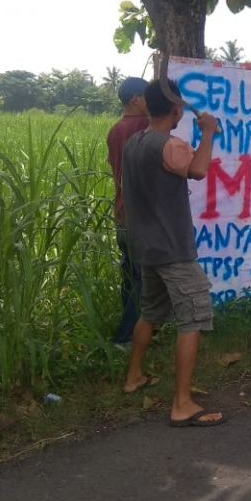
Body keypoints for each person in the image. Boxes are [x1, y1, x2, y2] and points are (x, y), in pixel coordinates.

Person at [120, 78, 225, 427]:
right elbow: (198, 170)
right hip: (173, 250)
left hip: (147, 246)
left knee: (150, 312)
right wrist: (208, 133)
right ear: (177, 109)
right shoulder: (170, 145)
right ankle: (182, 404)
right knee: (193, 317)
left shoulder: (134, 143)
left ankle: (133, 377)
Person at [107, 77, 151, 347]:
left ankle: (134, 332)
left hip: (122, 213)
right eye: (148, 97)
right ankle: (125, 339)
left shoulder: (115, 130)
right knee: (143, 282)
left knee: (130, 279)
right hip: (141, 216)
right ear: (136, 99)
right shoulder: (144, 126)